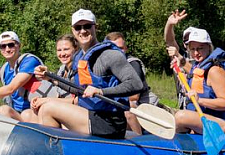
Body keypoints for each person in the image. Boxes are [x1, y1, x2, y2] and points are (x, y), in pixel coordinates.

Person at [33, 9, 143, 139]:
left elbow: (136, 84)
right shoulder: (80, 57)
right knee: (44, 108)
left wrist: (101, 91)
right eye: (78, 27)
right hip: (90, 114)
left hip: (110, 122)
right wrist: (50, 78)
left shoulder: (110, 55)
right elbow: (80, 90)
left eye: (87, 26)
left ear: (95, 27)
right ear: (73, 31)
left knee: (48, 108)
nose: (83, 31)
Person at [171, 27, 225, 137]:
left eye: (200, 48)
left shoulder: (215, 71)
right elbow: (195, 78)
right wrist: (180, 66)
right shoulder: (199, 66)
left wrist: (199, 100)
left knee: (181, 117)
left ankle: (184, 148)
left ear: (209, 47)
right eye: (193, 49)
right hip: (209, 119)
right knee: (178, 117)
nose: (196, 53)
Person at [105, 31, 160, 134]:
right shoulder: (107, 65)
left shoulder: (133, 64)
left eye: (121, 48)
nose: (118, 52)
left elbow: (134, 96)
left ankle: (139, 139)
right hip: (120, 102)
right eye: (114, 49)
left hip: (143, 106)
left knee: (126, 107)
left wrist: (106, 96)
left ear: (125, 48)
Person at [163, 9, 195, 108]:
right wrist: (169, 24)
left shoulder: (208, 59)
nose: (189, 45)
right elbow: (170, 40)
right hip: (186, 104)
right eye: (187, 42)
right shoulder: (179, 54)